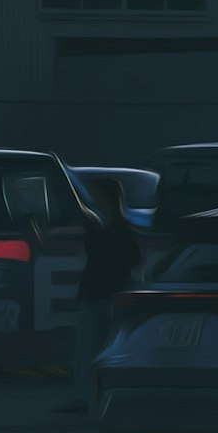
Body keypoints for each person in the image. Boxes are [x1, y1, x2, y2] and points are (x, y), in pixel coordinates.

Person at [67, 174, 143, 416]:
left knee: (92, 350)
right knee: (92, 350)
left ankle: (92, 399)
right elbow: (134, 264)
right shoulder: (117, 230)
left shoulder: (112, 231)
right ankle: (92, 399)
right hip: (102, 295)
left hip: (102, 295)